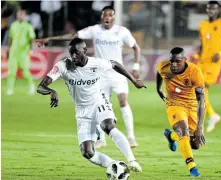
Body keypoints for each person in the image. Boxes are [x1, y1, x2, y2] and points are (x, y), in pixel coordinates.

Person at [34, 6, 141, 148]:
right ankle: (101, 139)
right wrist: (50, 39)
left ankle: (131, 137)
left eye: (110, 15)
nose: (107, 17)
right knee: (99, 104)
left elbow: (136, 47)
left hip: (116, 73)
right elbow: (73, 36)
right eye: (105, 15)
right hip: (100, 74)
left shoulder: (122, 32)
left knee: (123, 101)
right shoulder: (94, 30)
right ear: (102, 17)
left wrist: (136, 67)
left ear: (114, 17)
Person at [36, 38, 145, 172]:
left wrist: (134, 81)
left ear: (85, 51)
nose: (73, 56)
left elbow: (115, 64)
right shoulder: (63, 66)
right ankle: (116, 166)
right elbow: (41, 86)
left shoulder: (96, 63)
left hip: (99, 102)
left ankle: (132, 160)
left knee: (108, 126)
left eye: (76, 53)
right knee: (87, 152)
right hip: (82, 112)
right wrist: (51, 91)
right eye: (71, 53)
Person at [157, 47, 205, 177]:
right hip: (174, 104)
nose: (174, 64)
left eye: (177, 61)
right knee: (183, 131)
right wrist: (158, 89)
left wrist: (200, 127)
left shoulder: (195, 72)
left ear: (184, 60)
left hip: (191, 105)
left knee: (194, 144)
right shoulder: (163, 66)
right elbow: (159, 73)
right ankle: (192, 167)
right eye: (172, 61)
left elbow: (201, 100)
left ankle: (171, 136)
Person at [192, 1, 221, 132]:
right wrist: (197, 53)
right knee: (196, 89)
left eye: (214, 9)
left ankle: (208, 116)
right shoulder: (202, 25)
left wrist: (220, 53)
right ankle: (211, 115)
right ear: (207, 10)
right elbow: (203, 43)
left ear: (218, 10)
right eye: (209, 8)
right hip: (202, 61)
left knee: (203, 87)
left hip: (214, 63)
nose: (211, 11)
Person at [6, 9, 36, 95]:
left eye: (22, 15)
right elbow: (10, 39)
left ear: (25, 16)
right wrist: (8, 49)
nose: (20, 16)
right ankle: (9, 89)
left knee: (25, 71)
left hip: (23, 52)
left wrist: (31, 49)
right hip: (13, 52)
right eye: (19, 14)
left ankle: (31, 86)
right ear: (17, 15)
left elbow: (32, 39)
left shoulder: (28, 26)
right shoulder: (13, 25)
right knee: (11, 72)